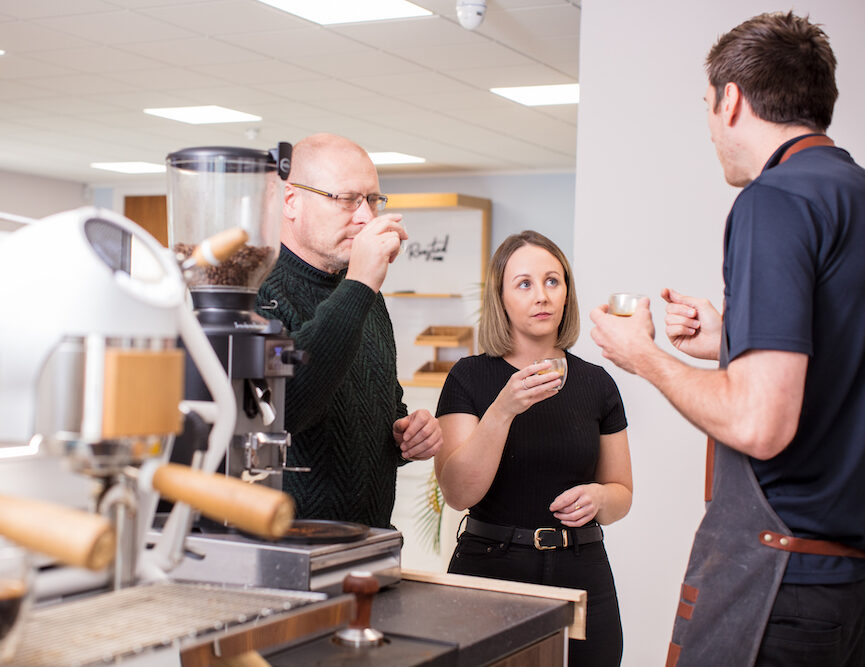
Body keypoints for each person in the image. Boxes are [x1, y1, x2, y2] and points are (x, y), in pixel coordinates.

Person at [589, 12, 865, 667]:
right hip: (847, 592)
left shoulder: (774, 200)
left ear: (731, 99)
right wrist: (731, 340)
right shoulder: (850, 194)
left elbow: (758, 421)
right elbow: (842, 361)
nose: (709, 126)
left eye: (707, 106)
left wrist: (644, 357)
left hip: (781, 582)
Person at [435, 230, 633, 666]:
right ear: (501, 298)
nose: (541, 295)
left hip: (583, 571)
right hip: (489, 571)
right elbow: (458, 493)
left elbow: (621, 495)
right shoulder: (469, 378)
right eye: (524, 283)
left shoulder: (597, 384)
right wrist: (504, 409)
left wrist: (601, 496)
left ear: (567, 294)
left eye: (552, 281)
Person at [255, 133, 442, 530]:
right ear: (291, 201)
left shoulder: (366, 294)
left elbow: (383, 405)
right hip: (287, 546)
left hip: (371, 541)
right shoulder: (257, 289)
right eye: (346, 199)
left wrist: (406, 435)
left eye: (373, 200)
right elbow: (287, 410)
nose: (366, 217)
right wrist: (359, 283)